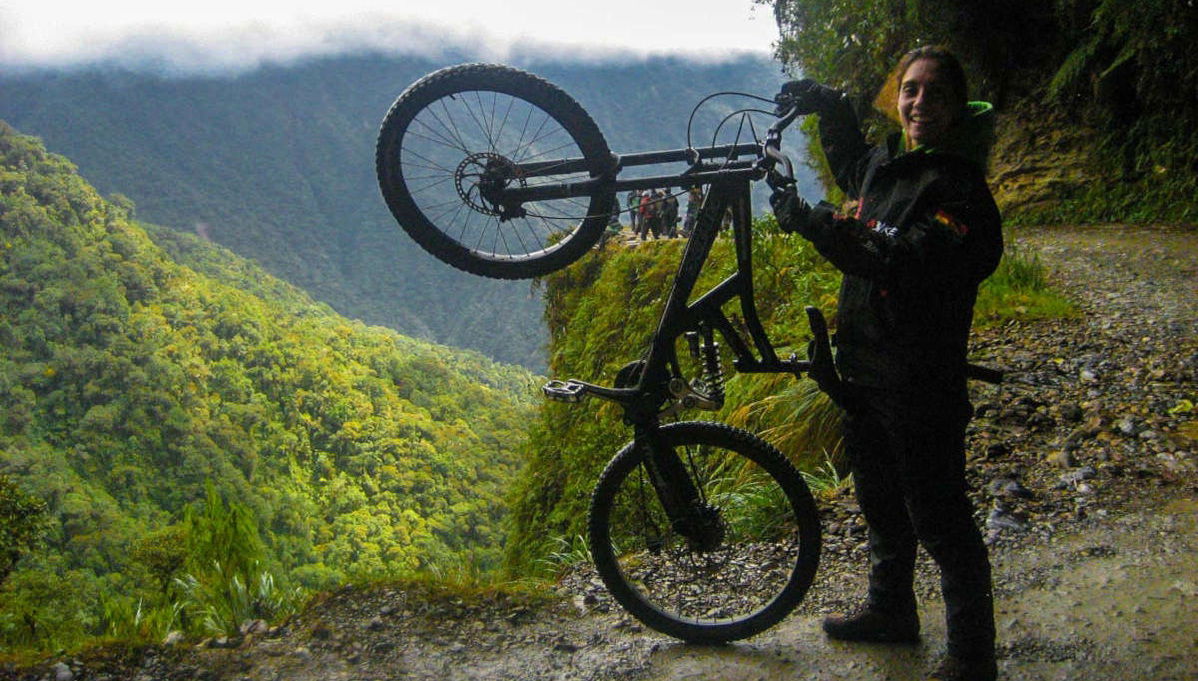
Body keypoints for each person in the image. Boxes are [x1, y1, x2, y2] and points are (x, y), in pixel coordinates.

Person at [770, 46, 1003, 681]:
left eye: (935, 93)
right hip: (865, 366)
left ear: (957, 107)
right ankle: (890, 609)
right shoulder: (890, 164)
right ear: (897, 98)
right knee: (878, 497)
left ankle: (973, 656)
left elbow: (894, 256)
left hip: (920, 377)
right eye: (910, 90)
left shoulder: (960, 189)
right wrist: (830, 106)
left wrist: (812, 223)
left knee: (939, 514)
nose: (920, 102)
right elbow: (854, 164)